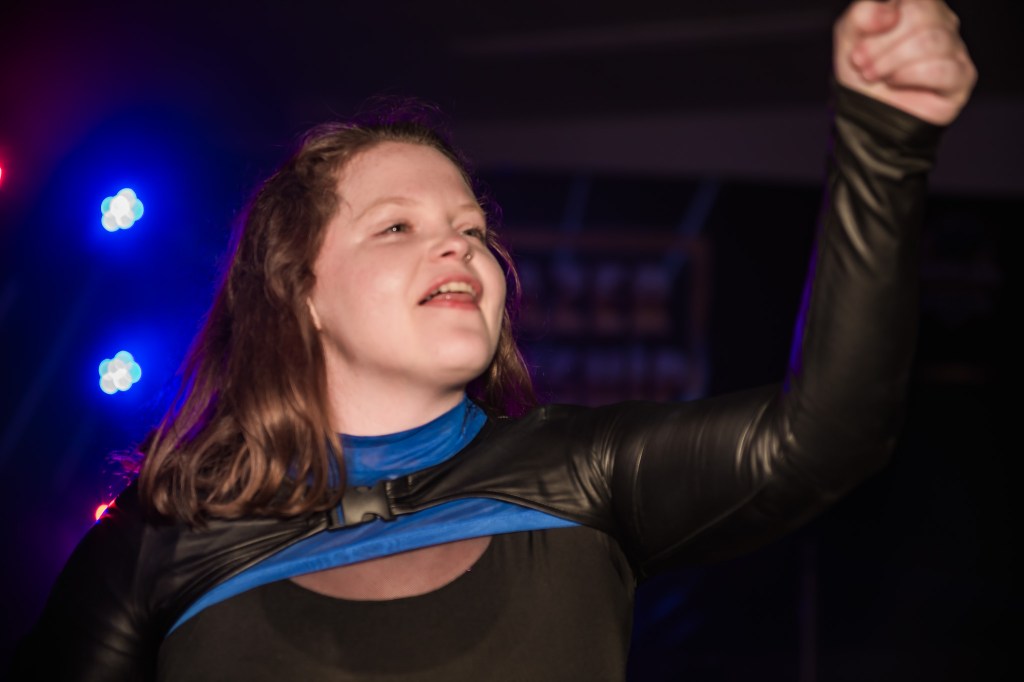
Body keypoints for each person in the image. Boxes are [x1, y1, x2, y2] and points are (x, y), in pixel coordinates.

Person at [12, 1, 975, 679]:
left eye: (472, 229)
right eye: (398, 226)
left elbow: (831, 429)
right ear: (300, 293)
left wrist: (885, 140)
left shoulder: (583, 472)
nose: (460, 247)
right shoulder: (156, 541)